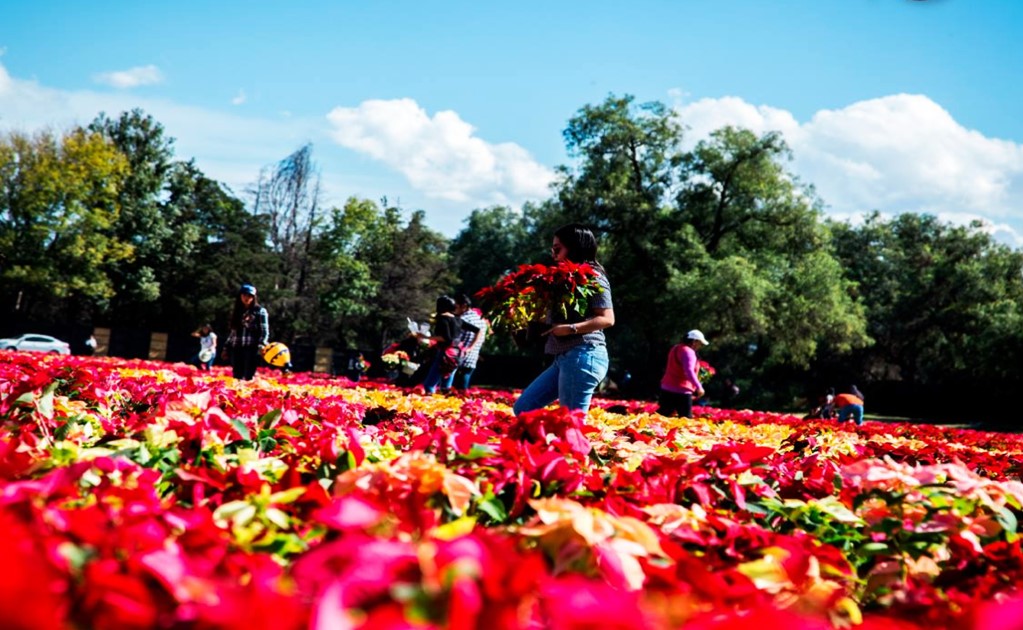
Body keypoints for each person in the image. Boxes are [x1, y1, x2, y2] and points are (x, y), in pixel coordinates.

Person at [513, 224, 615, 415]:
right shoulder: (563, 279)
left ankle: (568, 445)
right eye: (553, 248)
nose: (553, 253)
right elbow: (556, 318)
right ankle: (545, 443)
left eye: (558, 248)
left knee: (571, 423)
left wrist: (571, 328)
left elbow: (607, 319)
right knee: (524, 408)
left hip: (584, 354)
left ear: (575, 247)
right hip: (564, 358)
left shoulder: (594, 277)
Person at [657, 329, 710, 418]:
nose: (700, 346)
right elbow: (689, 371)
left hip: (666, 387)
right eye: (700, 343)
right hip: (682, 390)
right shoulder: (689, 352)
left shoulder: (675, 348)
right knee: (686, 418)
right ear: (694, 341)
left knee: (662, 415)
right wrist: (699, 387)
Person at [222, 284, 269, 380]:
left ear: (253, 297)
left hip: (252, 346)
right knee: (237, 375)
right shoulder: (237, 311)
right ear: (240, 296)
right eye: (244, 295)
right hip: (237, 346)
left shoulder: (260, 311)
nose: (246, 298)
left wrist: (262, 344)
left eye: (249, 296)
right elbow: (233, 333)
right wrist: (226, 347)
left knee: (249, 375)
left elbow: (264, 331)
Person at [421, 295, 463, 394]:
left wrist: (425, 337)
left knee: (429, 384)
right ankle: (446, 406)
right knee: (446, 385)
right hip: (456, 353)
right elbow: (477, 330)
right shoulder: (458, 319)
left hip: (445, 353)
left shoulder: (443, 319)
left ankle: (429, 405)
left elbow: (445, 338)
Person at [453, 294, 487, 390]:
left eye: (455, 306)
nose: (454, 309)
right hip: (473, 356)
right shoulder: (481, 320)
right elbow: (482, 338)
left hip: (459, 355)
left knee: (456, 386)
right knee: (465, 382)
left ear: (463, 306)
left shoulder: (463, 320)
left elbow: (456, 338)